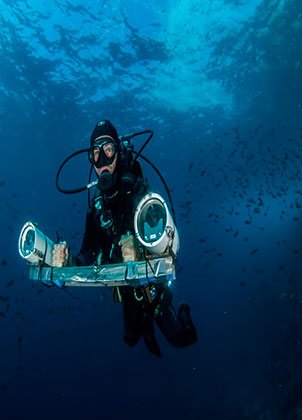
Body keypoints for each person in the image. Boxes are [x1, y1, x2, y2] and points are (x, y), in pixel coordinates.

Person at [52, 119, 197, 358]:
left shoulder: (138, 192)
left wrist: (139, 251)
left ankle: (176, 311)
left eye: (108, 150)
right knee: (131, 339)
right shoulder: (96, 207)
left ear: (118, 152)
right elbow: (86, 253)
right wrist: (67, 262)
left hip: (150, 287)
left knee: (180, 340)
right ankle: (145, 326)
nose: (102, 161)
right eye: (95, 154)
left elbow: (163, 241)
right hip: (125, 291)